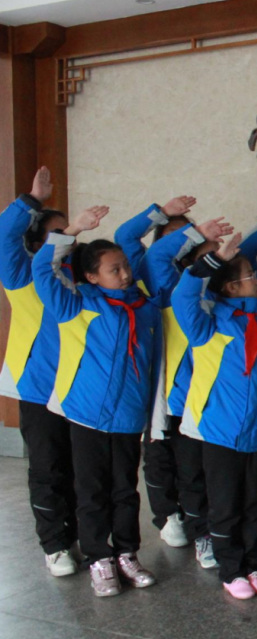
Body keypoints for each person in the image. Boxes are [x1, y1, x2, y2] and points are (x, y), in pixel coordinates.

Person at [32, 209, 161, 597]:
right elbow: (43, 270)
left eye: (125, 267)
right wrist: (72, 231)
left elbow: (152, 364)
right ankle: (98, 559)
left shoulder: (146, 309)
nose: (125, 275)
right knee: (91, 491)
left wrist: (150, 417)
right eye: (113, 270)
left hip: (129, 416)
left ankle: (126, 553)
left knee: (125, 489)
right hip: (87, 416)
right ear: (91, 277)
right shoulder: (77, 304)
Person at [172, 232, 257, 599]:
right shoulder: (209, 323)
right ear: (230, 287)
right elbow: (182, 296)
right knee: (225, 504)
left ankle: (252, 564)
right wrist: (213, 261)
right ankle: (231, 570)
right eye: (250, 276)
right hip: (220, 431)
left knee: (253, 503)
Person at [1, 167, 83, 576]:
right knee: (49, 468)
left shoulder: (78, 275)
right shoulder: (22, 274)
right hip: (38, 388)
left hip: (80, 387)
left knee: (81, 468)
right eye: (58, 233)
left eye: (70, 233)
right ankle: (55, 544)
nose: (68, 240)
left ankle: (83, 536)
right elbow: (4, 236)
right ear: (36, 243)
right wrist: (32, 201)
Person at [142, 214, 233, 569]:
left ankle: (206, 526)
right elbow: (156, 257)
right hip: (176, 399)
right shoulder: (173, 291)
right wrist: (193, 232)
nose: (216, 260)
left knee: (204, 472)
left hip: (211, 401)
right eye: (208, 256)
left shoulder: (221, 299)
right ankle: (182, 523)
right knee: (173, 465)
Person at [114, 195, 201, 550]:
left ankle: (196, 515)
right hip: (157, 376)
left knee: (190, 455)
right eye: (175, 237)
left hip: (192, 379)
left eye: (187, 236)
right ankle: (167, 515)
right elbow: (125, 235)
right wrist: (162, 213)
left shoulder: (197, 274)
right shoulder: (149, 268)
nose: (183, 243)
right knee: (159, 452)